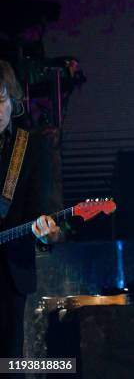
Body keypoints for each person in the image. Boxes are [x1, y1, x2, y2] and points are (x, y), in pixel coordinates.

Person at [0, 60, 63, 362]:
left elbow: (47, 213)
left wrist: (48, 233)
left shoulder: (32, 147)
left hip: (8, 275)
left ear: (13, 101)